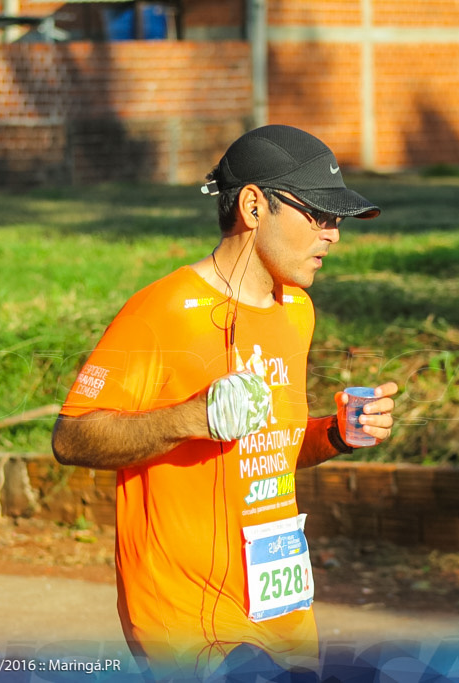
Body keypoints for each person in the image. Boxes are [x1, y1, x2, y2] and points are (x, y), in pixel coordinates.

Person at [51, 125, 398, 679]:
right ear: (255, 206)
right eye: (319, 214)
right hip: (186, 622)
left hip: (283, 613)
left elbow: (268, 448)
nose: (333, 235)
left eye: (338, 220)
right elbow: (72, 438)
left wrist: (334, 432)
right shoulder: (163, 311)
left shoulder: (296, 309)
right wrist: (190, 419)